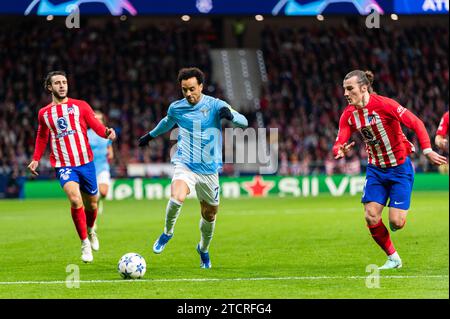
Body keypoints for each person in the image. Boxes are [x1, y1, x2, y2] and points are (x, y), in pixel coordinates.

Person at [333, 70, 447, 270]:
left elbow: (416, 123)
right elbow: (340, 139)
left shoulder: (385, 105)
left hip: (399, 169)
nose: (345, 93)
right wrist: (339, 149)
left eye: (349, 89)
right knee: (370, 215)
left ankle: (397, 216)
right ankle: (393, 258)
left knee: (396, 223)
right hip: (376, 169)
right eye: (344, 89)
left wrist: (427, 149)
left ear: (364, 88)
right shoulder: (349, 115)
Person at [138, 67, 248, 269]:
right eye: (184, 90)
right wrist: (150, 135)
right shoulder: (177, 108)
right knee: (177, 196)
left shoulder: (216, 105)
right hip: (185, 164)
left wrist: (231, 116)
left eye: (191, 89)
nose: (188, 94)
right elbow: (166, 123)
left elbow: (244, 121)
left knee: (210, 215)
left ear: (201, 86)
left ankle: (203, 249)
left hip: (209, 170)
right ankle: (167, 233)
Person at [27, 71, 116, 263]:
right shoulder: (44, 113)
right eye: (57, 83)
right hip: (63, 164)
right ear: (49, 87)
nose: (62, 85)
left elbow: (96, 125)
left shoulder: (80, 106)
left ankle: (91, 230)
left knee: (92, 204)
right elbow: (42, 136)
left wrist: (107, 132)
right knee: (76, 200)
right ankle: (84, 243)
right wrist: (35, 158)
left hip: (86, 163)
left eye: (64, 82)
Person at [87, 110, 114, 216]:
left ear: (103, 121)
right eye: (95, 119)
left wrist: (110, 154)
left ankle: (97, 201)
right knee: (92, 196)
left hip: (103, 166)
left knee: (103, 192)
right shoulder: (86, 134)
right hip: (89, 168)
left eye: (100, 119)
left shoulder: (107, 133)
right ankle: (92, 221)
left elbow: (109, 146)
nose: (98, 121)